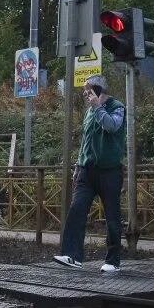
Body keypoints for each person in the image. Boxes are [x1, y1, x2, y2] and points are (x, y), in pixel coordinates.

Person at [54, 74, 127, 271]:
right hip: (88, 171)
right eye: (85, 92)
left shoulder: (117, 107)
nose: (86, 95)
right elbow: (86, 141)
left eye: (88, 91)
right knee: (77, 209)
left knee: (112, 217)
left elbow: (111, 127)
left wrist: (98, 107)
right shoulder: (89, 112)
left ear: (98, 91)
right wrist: (78, 165)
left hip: (110, 172)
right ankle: (72, 255)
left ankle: (113, 261)